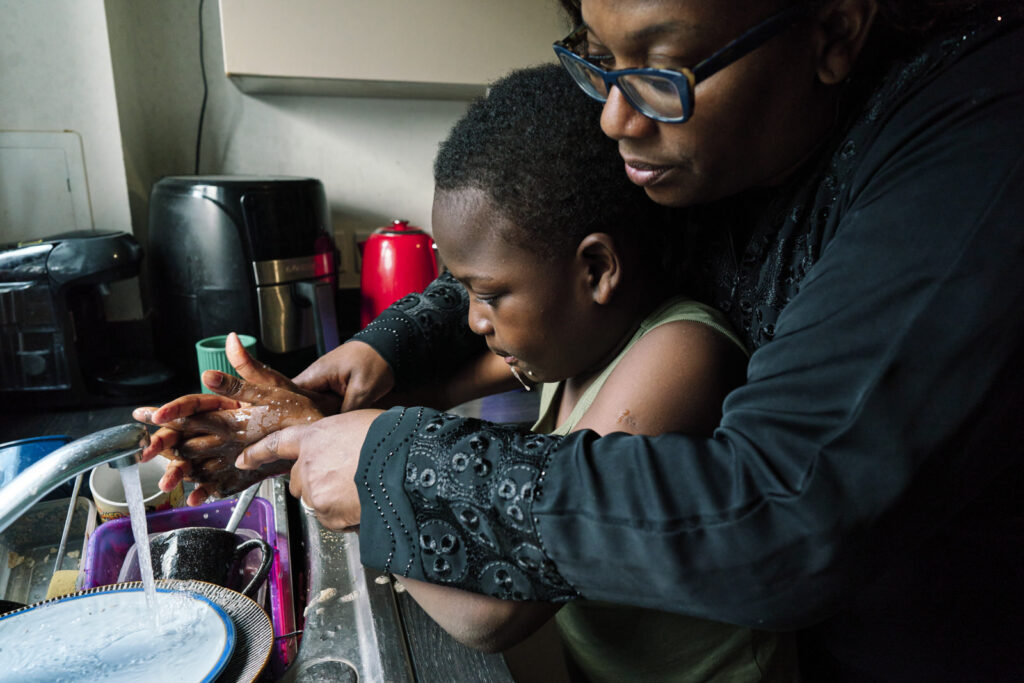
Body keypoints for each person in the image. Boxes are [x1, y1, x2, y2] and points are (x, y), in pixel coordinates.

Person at [142, 1, 1024, 679]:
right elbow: (554, 239)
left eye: (663, 66)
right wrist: (394, 348)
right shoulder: (720, 134)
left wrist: (395, 465)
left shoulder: (975, 133)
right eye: (599, 60)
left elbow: (783, 511)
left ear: (834, 31)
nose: (613, 119)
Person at [393, 65, 799, 681]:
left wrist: (366, 486)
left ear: (597, 269)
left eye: (490, 294)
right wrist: (317, 414)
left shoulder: (679, 357)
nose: (475, 320)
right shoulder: (570, 346)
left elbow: (494, 612)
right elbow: (438, 388)